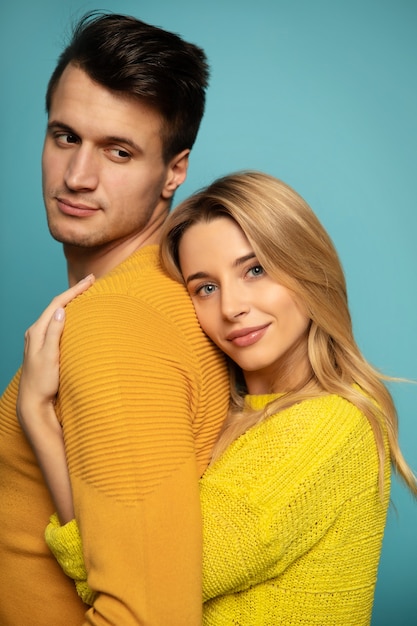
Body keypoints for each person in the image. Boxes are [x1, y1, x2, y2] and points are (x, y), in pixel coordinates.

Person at [17, 171, 417, 625]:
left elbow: (142, 582)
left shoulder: (330, 426)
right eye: (205, 287)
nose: (231, 307)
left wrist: (38, 417)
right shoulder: (236, 410)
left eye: (255, 270)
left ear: (308, 266)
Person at [0, 12, 230, 626]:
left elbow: (150, 615)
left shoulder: (116, 328)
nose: (77, 177)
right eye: (64, 136)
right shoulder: (158, 296)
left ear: (174, 171)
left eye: (119, 151)